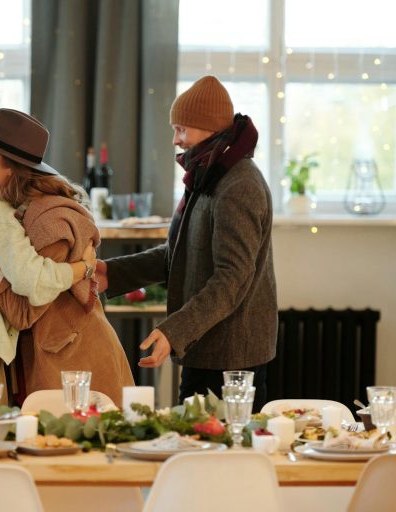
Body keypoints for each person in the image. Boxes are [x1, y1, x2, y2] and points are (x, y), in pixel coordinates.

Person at [0, 108, 134, 406]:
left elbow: (23, 312)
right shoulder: (5, 212)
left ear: (11, 167)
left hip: (74, 364)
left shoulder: (52, 222)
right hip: (46, 360)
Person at [96, 76, 277, 409]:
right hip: (206, 346)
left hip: (230, 358)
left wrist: (174, 331)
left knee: (217, 456)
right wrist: (111, 272)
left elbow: (231, 280)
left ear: (208, 128)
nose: (176, 141)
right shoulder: (209, 174)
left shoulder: (238, 185)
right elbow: (180, 254)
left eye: (182, 130)